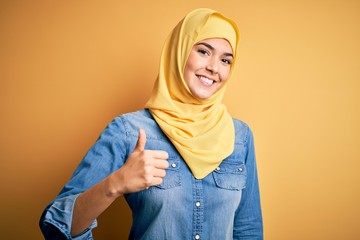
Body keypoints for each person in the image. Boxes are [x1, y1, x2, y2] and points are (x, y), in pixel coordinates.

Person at [39, 8, 263, 240]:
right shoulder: (128, 131)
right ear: (179, 52)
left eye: (225, 60)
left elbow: (248, 230)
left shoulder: (240, 137)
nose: (214, 68)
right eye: (204, 51)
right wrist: (114, 184)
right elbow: (55, 226)